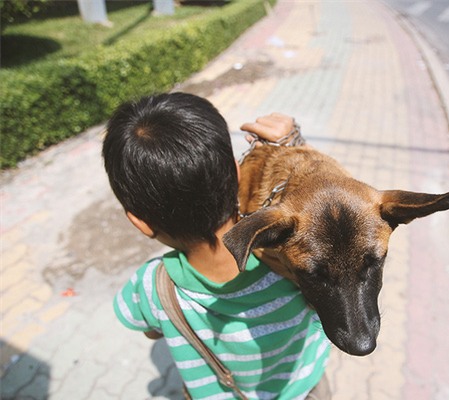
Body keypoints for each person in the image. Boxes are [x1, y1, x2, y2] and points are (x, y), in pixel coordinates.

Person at [103, 92, 331, 399]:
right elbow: (339, 222)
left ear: (140, 222)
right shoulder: (289, 258)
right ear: (236, 175)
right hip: (305, 390)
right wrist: (297, 145)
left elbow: (149, 330)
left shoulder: (151, 287)